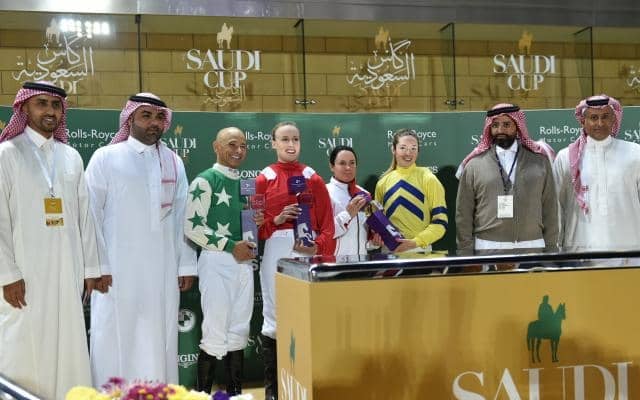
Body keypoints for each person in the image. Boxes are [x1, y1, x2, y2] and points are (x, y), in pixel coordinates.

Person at [86, 93, 197, 385]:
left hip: (162, 269)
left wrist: (186, 265)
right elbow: (90, 215)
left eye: (160, 117)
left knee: (158, 334)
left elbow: (182, 216)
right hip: (115, 269)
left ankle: (155, 390)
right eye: (146, 115)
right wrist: (97, 265)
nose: (154, 123)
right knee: (114, 332)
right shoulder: (106, 157)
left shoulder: (173, 161)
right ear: (130, 118)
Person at [0, 81, 101, 399]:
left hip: (66, 271)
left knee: (68, 343)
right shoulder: (7, 154)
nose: (50, 111)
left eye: (56, 105)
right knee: (23, 344)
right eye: (41, 103)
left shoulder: (71, 157)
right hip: (24, 275)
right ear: (24, 107)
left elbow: (85, 218)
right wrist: (7, 274)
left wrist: (90, 269)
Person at [256, 121, 335, 400]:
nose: (291, 145)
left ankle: (308, 382)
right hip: (276, 249)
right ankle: (273, 391)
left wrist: (316, 246)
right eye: (285, 139)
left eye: (295, 139)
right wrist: (276, 220)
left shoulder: (313, 178)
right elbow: (254, 227)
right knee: (273, 315)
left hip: (306, 252)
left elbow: (327, 225)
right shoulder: (263, 178)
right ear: (273, 143)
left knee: (308, 313)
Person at [184, 127, 263, 395]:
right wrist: (230, 246)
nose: (238, 150)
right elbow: (192, 228)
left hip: (244, 263)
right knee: (215, 331)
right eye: (232, 144)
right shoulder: (205, 181)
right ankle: (201, 395)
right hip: (217, 261)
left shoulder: (246, 183)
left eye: (243, 145)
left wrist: (255, 222)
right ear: (216, 147)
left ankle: (235, 394)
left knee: (239, 331)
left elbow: (246, 223)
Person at [455, 103, 558, 253]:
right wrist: (465, 253)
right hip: (488, 249)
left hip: (532, 248)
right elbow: (463, 214)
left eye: (506, 124)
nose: (500, 130)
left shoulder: (539, 162)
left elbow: (550, 209)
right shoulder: (474, 165)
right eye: (495, 125)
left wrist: (551, 250)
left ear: (517, 126)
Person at [553, 94, 640, 251]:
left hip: (630, 252)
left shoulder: (635, 153)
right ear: (583, 121)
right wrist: (556, 248)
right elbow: (556, 208)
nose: (600, 123)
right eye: (593, 117)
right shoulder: (565, 157)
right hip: (579, 251)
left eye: (605, 117)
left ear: (614, 119)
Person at [373, 128, 448, 253]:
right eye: (403, 148)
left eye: (413, 148)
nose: (408, 153)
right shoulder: (382, 183)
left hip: (419, 250)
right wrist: (377, 236)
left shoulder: (428, 178)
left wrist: (415, 242)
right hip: (389, 252)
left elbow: (441, 222)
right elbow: (378, 222)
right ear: (393, 149)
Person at [326, 145, 369, 256]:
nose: (348, 168)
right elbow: (323, 234)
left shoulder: (364, 194)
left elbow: (364, 238)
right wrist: (347, 214)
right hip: (335, 263)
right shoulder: (324, 193)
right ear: (332, 166)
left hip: (361, 263)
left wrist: (373, 243)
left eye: (352, 163)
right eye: (342, 163)